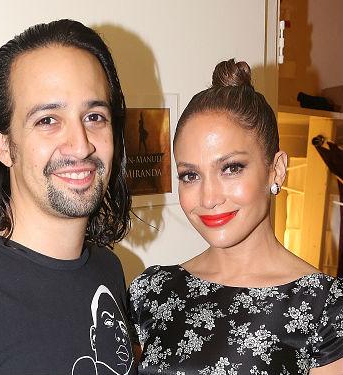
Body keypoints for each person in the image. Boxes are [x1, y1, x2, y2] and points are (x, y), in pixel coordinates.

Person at [0, 19, 136, 375]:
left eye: (94, 116)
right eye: (47, 120)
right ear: (5, 145)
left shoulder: (108, 269)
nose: (81, 144)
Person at [128, 59, 343, 374]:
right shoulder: (151, 289)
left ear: (277, 169)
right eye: (190, 175)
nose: (209, 197)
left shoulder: (324, 307)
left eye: (231, 168)